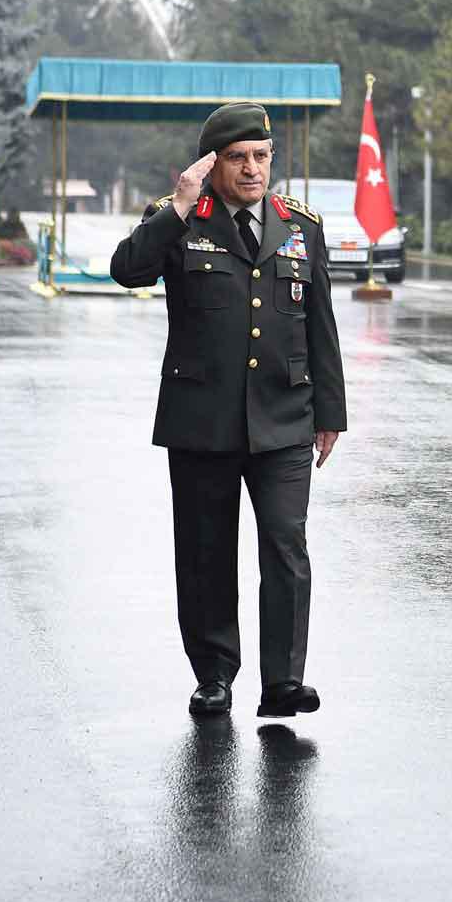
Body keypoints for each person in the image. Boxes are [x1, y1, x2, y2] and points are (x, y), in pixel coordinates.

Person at [109, 101, 347, 718]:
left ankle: (283, 681)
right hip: (202, 420)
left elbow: (320, 324)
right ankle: (214, 675)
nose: (251, 169)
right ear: (211, 165)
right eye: (238, 158)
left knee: (286, 545)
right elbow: (127, 271)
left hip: (284, 416)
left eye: (261, 156)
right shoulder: (179, 217)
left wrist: (331, 412)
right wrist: (178, 207)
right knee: (206, 552)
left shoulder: (300, 226)